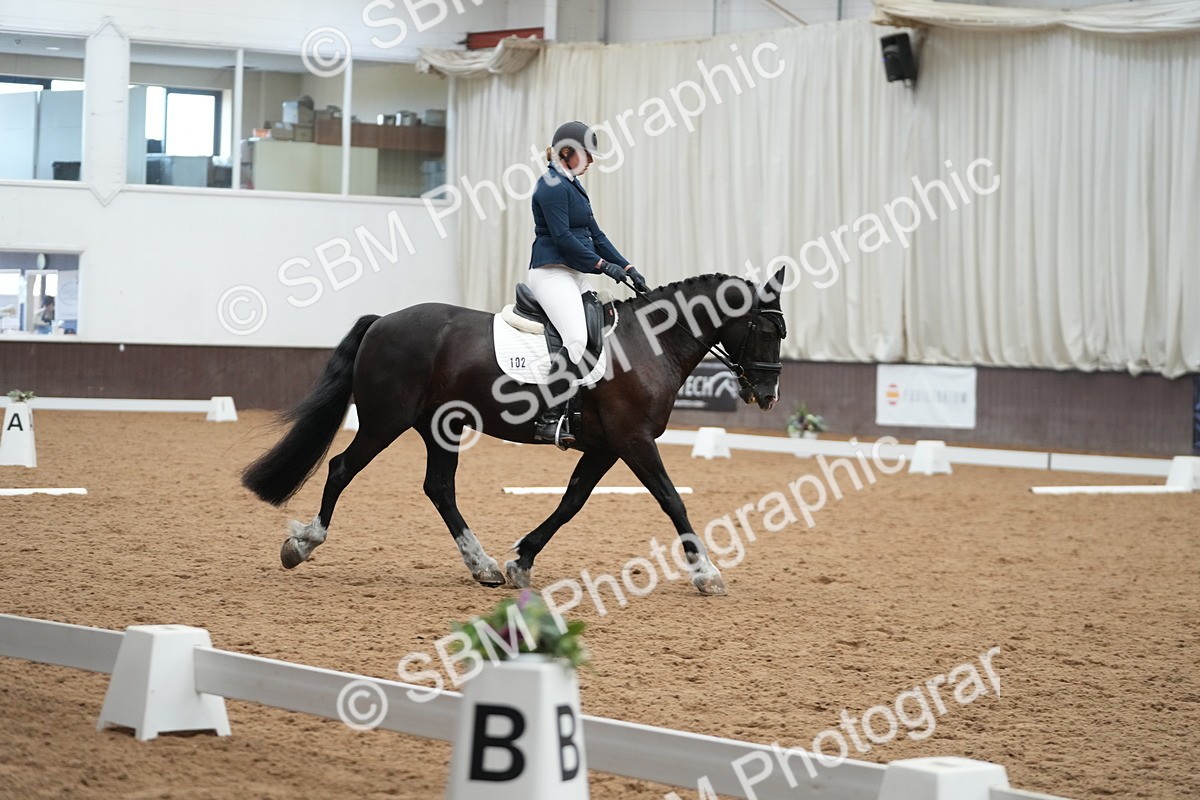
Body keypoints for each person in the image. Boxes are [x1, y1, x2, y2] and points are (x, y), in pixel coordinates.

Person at [528, 121, 650, 448]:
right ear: (567, 153)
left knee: (608, 327)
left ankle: (586, 408)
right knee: (577, 338)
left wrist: (627, 266)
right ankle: (549, 417)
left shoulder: (573, 185)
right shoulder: (551, 186)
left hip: (574, 274)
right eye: (587, 155)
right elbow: (564, 239)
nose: (592, 162)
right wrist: (602, 266)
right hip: (552, 273)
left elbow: (596, 235)